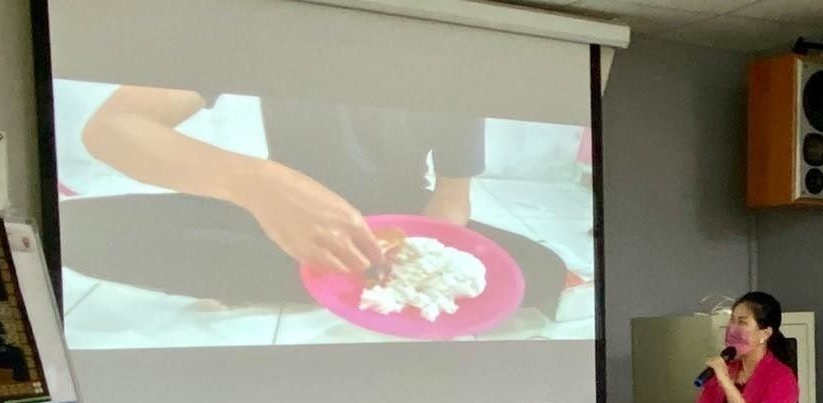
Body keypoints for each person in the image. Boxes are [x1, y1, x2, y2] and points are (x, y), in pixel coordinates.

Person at [65, 85, 567, 311]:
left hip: (395, 231)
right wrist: (255, 183)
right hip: (277, 223)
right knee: (76, 230)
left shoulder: (456, 47)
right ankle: (319, 278)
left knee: (539, 270)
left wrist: (412, 262)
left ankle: (327, 280)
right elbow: (112, 127)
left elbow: (453, 194)